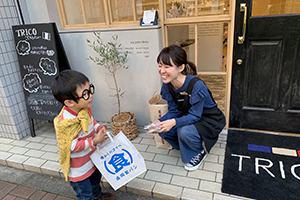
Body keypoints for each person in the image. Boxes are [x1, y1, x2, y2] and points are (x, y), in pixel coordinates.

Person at [155, 45, 226, 171]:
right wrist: (159, 123)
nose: (162, 70)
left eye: (167, 67)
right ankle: (186, 145)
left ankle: (198, 152)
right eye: (160, 65)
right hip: (189, 115)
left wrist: (174, 122)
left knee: (184, 131)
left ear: (181, 68)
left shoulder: (196, 85)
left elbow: (195, 116)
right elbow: (173, 111)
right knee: (162, 128)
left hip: (208, 118)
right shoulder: (168, 85)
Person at [51, 69, 115, 200]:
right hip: (78, 169)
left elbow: (91, 122)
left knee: (96, 181)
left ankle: (98, 196)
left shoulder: (84, 109)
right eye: (85, 94)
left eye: (90, 89)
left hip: (92, 159)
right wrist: (94, 141)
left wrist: (98, 128)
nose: (90, 95)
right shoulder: (66, 123)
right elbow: (70, 146)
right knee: (85, 194)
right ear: (69, 102)